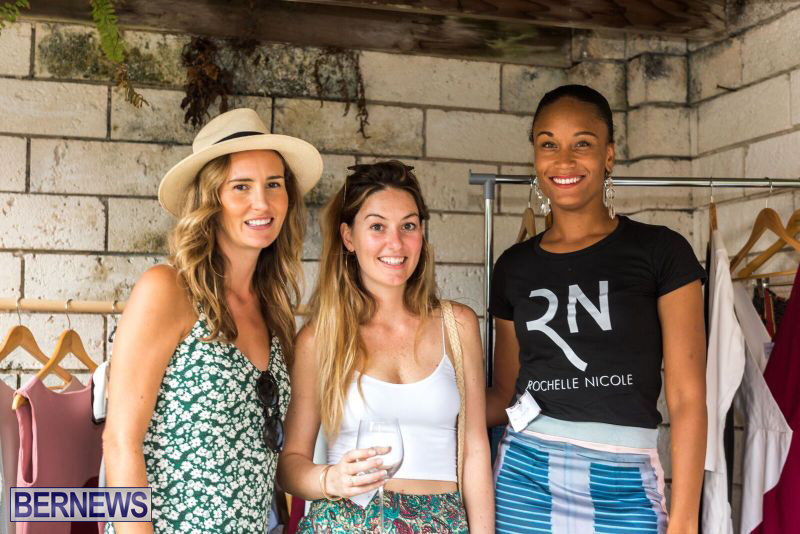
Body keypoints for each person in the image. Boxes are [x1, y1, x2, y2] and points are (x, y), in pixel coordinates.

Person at [486, 85, 707, 534]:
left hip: (625, 486)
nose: (563, 160)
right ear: (535, 155)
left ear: (609, 155)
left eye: (582, 143)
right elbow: (505, 393)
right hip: (525, 478)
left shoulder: (661, 252)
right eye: (548, 144)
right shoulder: (513, 266)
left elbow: (687, 398)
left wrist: (685, 520)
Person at [102, 108, 322, 533]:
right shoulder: (167, 290)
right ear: (210, 201)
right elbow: (120, 442)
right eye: (241, 186)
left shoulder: (273, 309)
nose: (262, 202)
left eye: (273, 184)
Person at [277, 161, 494, 532]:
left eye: (408, 226)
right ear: (348, 237)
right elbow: (289, 465)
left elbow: (475, 449)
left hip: (440, 523)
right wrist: (330, 479)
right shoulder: (320, 338)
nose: (395, 243)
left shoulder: (458, 325)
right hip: (346, 522)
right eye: (377, 226)